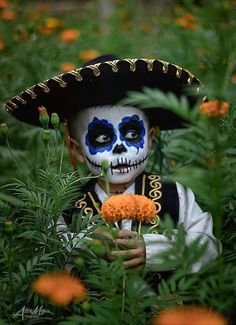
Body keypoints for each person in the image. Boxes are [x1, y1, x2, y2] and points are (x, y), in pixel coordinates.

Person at [5, 54, 220, 276]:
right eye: (101, 139)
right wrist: (88, 243)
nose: (119, 148)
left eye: (132, 134)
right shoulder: (65, 202)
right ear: (78, 150)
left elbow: (208, 245)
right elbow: (47, 252)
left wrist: (155, 250)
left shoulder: (175, 192)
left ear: (150, 140)